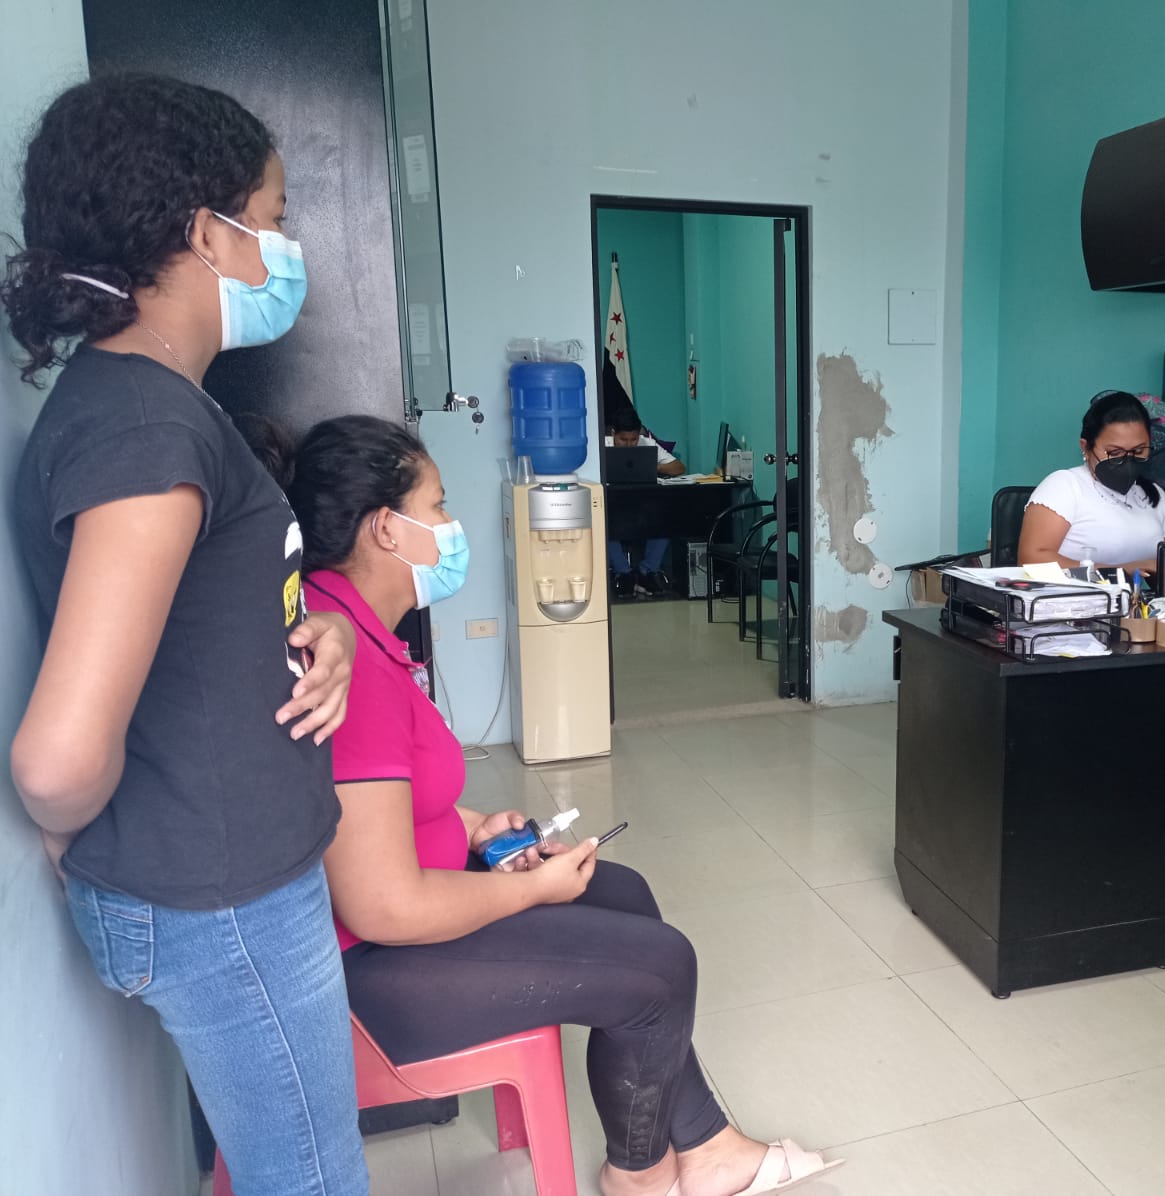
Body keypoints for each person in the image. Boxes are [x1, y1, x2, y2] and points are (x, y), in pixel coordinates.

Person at [279, 414, 840, 1196]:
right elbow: (384, 906)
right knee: (662, 967)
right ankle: (640, 1175)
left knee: (626, 893)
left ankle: (706, 1144)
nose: (451, 526)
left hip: (398, 929)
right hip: (372, 976)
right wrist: (532, 889)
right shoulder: (348, 662)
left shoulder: (352, 625)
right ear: (386, 528)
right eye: (437, 506)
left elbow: (374, 808)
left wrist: (477, 829)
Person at [3, 76, 367, 1193]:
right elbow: (57, 758)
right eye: (274, 216)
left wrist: (317, 633)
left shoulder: (151, 403)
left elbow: (189, 618)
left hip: (225, 886)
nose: (285, 248)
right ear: (209, 233)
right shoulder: (146, 433)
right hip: (226, 905)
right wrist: (74, 832)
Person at [1018, 390, 1165, 576]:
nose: (1128, 460)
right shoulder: (1065, 486)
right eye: (1115, 453)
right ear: (1086, 447)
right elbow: (1031, 561)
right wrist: (1119, 571)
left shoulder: (1154, 495)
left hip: (1139, 596)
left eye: (1139, 451)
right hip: (1071, 595)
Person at [606, 403, 684, 599]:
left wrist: (651, 466)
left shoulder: (647, 444)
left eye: (633, 439)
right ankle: (624, 574)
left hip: (643, 507)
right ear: (613, 433)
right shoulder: (601, 447)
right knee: (604, 522)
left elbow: (678, 468)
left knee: (665, 519)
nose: (629, 444)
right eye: (623, 439)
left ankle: (647, 572)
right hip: (612, 506)